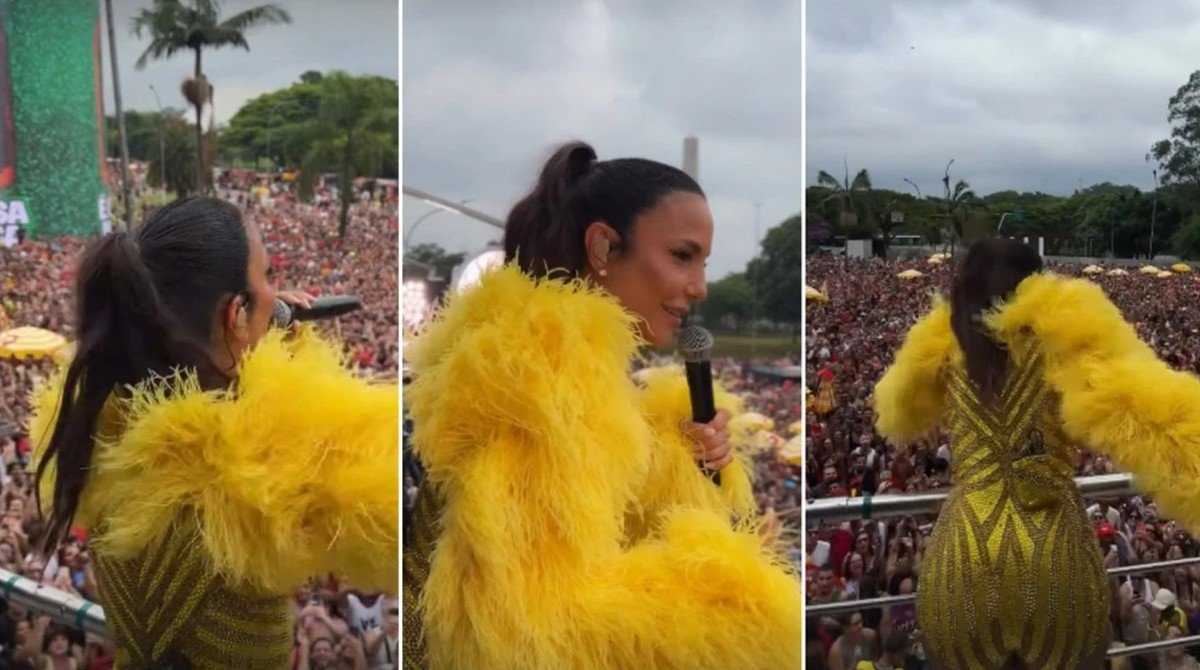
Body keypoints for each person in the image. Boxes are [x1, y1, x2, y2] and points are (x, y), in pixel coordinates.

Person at [403, 142, 802, 669]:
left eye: (704, 262)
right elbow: (519, 633)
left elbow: (597, 540)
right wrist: (733, 609)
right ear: (603, 248)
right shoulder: (537, 379)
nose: (700, 287)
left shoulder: (565, 367)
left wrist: (683, 461)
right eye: (682, 256)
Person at [28, 197, 398, 667]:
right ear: (235, 313)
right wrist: (292, 360)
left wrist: (244, 334)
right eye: (266, 278)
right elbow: (393, 532)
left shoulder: (101, 426)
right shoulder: (265, 461)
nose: (278, 293)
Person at [875, 237, 1200, 670]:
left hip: (964, 555)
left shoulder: (943, 344)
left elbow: (897, 412)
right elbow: (1145, 411)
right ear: (1037, 282)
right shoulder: (1062, 335)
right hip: (1053, 553)